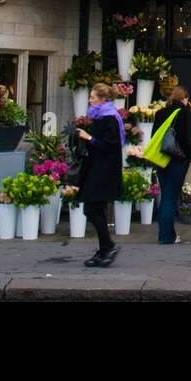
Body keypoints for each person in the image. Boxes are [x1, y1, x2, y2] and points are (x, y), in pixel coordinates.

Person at [76, 82, 123, 267]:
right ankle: (105, 247)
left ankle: (108, 246)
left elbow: (109, 146)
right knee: (96, 208)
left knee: (91, 208)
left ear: (102, 99)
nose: (90, 100)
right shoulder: (100, 118)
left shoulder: (110, 119)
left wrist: (89, 138)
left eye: (93, 97)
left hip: (104, 171)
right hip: (96, 168)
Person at [151, 86, 191, 244]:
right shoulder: (182, 112)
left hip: (161, 159)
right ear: (183, 98)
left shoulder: (160, 113)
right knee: (171, 196)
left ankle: (167, 234)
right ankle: (166, 236)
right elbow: (183, 137)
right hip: (177, 159)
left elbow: (154, 136)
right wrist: (189, 155)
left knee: (165, 196)